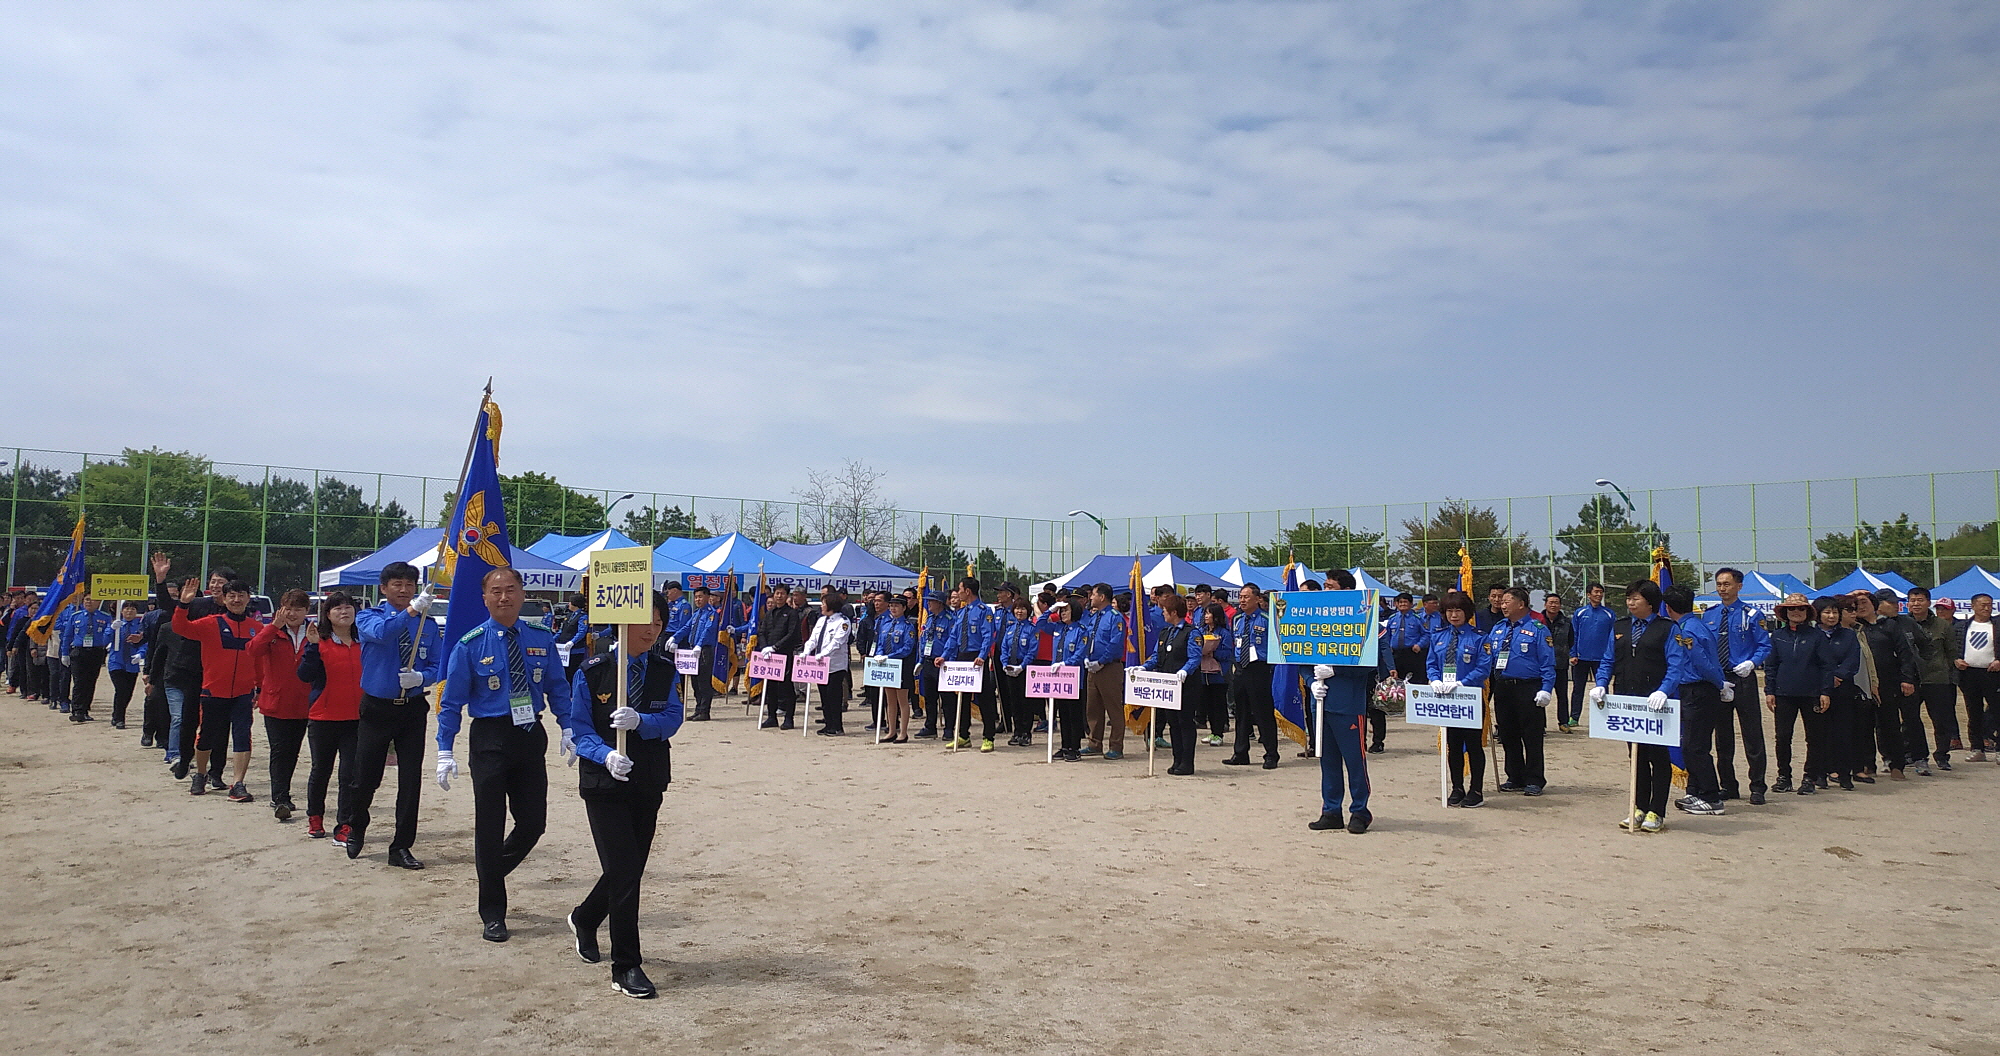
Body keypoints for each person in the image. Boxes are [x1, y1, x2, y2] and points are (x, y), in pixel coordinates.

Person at [437, 566, 569, 941]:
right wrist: (445, 748)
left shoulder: (541, 638)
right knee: (490, 827)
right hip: (490, 738)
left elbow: (558, 686)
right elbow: (451, 702)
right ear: (484, 598)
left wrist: (569, 726)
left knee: (533, 823)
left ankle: (490, 873)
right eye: (495, 591)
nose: (504, 597)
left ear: (522, 594)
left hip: (529, 735)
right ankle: (493, 913)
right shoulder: (470, 644)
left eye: (510, 589)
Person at [567, 589, 685, 1000]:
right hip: (604, 783)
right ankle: (626, 965)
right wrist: (604, 754)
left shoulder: (664, 669)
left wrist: (642, 722)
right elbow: (579, 729)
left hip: (647, 778)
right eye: (644, 622)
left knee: (629, 868)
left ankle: (586, 917)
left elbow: (673, 717)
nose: (652, 630)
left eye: (659, 623)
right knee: (623, 871)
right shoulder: (594, 671)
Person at [346, 561, 444, 868]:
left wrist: (422, 678)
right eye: (397, 585)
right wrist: (412, 610)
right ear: (384, 588)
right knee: (365, 777)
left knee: (410, 780)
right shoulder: (369, 617)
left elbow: (439, 664)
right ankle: (356, 825)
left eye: (409, 585)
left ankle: (401, 846)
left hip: (412, 708)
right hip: (377, 708)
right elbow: (385, 633)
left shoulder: (427, 624)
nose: (404, 590)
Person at [168, 575, 265, 801]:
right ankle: (201, 774)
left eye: (241, 595)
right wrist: (183, 604)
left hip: (243, 694)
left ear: (248, 598)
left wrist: (260, 688)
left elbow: (260, 661)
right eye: (232, 596)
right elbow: (180, 627)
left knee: (243, 736)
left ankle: (238, 783)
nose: (236, 600)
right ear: (224, 598)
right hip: (213, 691)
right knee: (206, 737)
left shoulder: (257, 628)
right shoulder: (211, 623)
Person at [1590, 580, 1674, 831]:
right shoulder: (1620, 626)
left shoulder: (1667, 628)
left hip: (1656, 701)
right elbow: (1608, 659)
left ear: (1650, 602)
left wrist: (1664, 690)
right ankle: (1638, 807)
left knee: (1658, 756)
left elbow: (1676, 664)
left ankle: (1656, 811)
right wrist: (1601, 684)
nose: (1630, 602)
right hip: (1626, 699)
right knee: (1636, 754)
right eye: (1628, 598)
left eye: (1636, 598)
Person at [297, 591, 364, 842]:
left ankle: (345, 824)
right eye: (337, 608)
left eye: (348, 607)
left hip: (356, 719)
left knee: (350, 775)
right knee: (321, 771)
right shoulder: (319, 641)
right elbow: (304, 675)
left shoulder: (364, 641)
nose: (343, 612)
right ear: (327, 614)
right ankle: (315, 817)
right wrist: (313, 646)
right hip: (323, 717)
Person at [1703, 569, 1772, 804]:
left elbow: (1764, 645)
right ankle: (1728, 785)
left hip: (1743, 678)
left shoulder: (1751, 614)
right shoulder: (1709, 615)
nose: (1722, 588)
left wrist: (1752, 662)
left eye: (1727, 584)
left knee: (1752, 733)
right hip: (1719, 679)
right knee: (1722, 736)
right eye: (1719, 584)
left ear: (1739, 586)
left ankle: (1758, 786)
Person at [248, 590, 314, 821]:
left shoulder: (314, 632)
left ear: (307, 611)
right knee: (279, 750)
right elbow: (253, 650)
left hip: (305, 701)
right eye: (288, 609)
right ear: (280, 609)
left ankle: (284, 793)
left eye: (298, 609)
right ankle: (280, 798)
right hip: (275, 702)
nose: (293, 614)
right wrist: (273, 627)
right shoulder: (273, 632)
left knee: (293, 750)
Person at [1665, 584, 1730, 815]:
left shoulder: (1687, 630)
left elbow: (1702, 661)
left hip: (1697, 690)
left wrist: (1719, 683)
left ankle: (1711, 797)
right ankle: (1696, 790)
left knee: (1695, 746)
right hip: (1696, 690)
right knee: (1692, 744)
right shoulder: (1696, 624)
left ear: (1668, 607)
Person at [1488, 587, 1555, 796]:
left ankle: (1534, 779)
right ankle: (1515, 776)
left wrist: (1546, 689)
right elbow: (1487, 657)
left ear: (1521, 604)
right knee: (1508, 735)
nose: (1503, 605)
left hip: (1528, 687)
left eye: (1507, 601)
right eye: (1502, 602)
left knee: (1532, 736)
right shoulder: (1498, 628)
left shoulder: (1537, 629)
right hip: (1503, 686)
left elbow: (1547, 662)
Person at [1428, 591, 1492, 806]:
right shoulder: (1438, 636)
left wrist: (1463, 683)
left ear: (1467, 613)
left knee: (1473, 745)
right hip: (1446, 699)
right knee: (1453, 745)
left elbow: (1483, 667)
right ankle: (1457, 787)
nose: (1454, 615)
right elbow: (1431, 663)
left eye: (1458, 611)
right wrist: (1434, 680)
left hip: (1469, 697)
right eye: (1449, 611)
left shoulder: (1479, 637)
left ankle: (1476, 790)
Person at [1764, 592, 1830, 796]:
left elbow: (1826, 666)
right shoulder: (1777, 636)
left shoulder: (1817, 636)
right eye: (1791, 608)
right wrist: (1769, 690)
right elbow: (1771, 665)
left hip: (1812, 693)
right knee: (1783, 737)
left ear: (1808, 612)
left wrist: (1825, 692)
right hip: (1783, 693)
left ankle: (1810, 778)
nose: (1796, 612)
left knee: (1814, 738)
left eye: (1801, 608)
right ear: (1785, 612)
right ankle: (1783, 777)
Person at [1307, 647, 1378, 832]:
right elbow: (1299, 657)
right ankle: (1331, 810)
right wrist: (1311, 682)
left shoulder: (1360, 630)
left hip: (1349, 705)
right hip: (1320, 703)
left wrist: (1336, 669)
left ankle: (1360, 811)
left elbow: (1369, 661)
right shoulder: (1314, 631)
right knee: (1328, 761)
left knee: (1355, 762)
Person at [1855, 589, 1916, 781]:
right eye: (1856, 604)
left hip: (1888, 683)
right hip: (1862, 685)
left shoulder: (1889, 625)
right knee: (1863, 726)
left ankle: (1896, 765)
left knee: (1890, 725)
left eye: (1864, 602)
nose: (1861, 606)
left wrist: (1907, 679)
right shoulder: (1853, 628)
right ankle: (1867, 764)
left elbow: (1905, 654)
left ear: (1874, 604)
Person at [1139, 593, 1201, 774]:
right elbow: (1157, 656)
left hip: (1186, 685)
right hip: (1168, 685)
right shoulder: (1165, 632)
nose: (1163, 613)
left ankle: (1187, 762)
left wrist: (1185, 670)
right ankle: (1177, 759)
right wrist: (1143, 667)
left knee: (1185, 722)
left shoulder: (1191, 632)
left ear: (1174, 612)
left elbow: (1194, 657)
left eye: (1165, 610)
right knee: (1173, 723)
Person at [937, 577, 998, 751]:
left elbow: (988, 635)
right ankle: (963, 735)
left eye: (960, 589)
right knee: (962, 698)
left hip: (977, 658)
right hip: (961, 656)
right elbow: (953, 637)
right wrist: (944, 655)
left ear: (968, 591)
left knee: (984, 698)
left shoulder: (983, 611)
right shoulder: (961, 612)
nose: (958, 593)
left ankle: (988, 737)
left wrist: (982, 656)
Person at [1904, 587, 1959, 772]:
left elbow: (1951, 653)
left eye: (1920, 600)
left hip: (1937, 679)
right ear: (1908, 603)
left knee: (1941, 720)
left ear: (1928, 603)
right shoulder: (1901, 624)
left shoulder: (1942, 625)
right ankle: (1914, 755)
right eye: (1912, 600)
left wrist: (1946, 674)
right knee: (1910, 719)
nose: (1916, 604)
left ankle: (1942, 755)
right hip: (1910, 679)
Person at [1224, 585, 1278, 769]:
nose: (1242, 600)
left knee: (1263, 713)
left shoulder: (1266, 619)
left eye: (1246, 597)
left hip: (1259, 669)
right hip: (1241, 668)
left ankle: (1271, 754)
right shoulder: (1237, 619)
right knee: (1241, 713)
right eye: (1240, 596)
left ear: (1257, 599)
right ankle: (1240, 752)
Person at [1815, 596, 1863, 789]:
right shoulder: (1812, 635)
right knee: (1819, 733)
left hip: (1843, 689)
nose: (1831, 616)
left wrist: (1838, 676)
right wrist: (1826, 680)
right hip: (1817, 690)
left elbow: (1852, 660)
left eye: (1835, 612)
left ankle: (1844, 775)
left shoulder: (1848, 635)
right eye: (1827, 612)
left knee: (1843, 733)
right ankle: (1820, 773)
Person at [1077, 583, 1127, 760]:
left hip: (1109, 668)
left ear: (1102, 597)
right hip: (1092, 668)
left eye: (1093, 594)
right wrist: (1086, 657)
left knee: (1113, 708)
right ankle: (1094, 743)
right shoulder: (1094, 616)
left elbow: (1115, 642)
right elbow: (1086, 638)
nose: (1091, 597)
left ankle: (1116, 746)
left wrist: (1101, 661)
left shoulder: (1114, 617)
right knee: (1093, 708)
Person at [1953, 593, 1998, 759]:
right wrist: (1956, 660)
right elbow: (1952, 648)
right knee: (1973, 712)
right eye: (1982, 605)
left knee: (1997, 710)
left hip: (1993, 674)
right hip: (1969, 674)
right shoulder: (1962, 626)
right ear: (1973, 606)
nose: (1986, 608)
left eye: (1989, 605)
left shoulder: (1996, 625)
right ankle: (1977, 748)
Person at [668, 586, 723, 722]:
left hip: (704, 651)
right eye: (696, 597)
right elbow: (686, 627)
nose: (698, 599)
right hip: (693, 650)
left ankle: (704, 711)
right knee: (695, 683)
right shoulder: (697, 613)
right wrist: (675, 638)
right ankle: (698, 710)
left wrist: (699, 644)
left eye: (700, 597)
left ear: (707, 597)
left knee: (703, 682)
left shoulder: (711, 613)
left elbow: (708, 630)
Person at [58, 592, 113, 723]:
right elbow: (68, 636)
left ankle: (85, 709)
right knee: (79, 681)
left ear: (98, 602)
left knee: (90, 681)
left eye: (92, 600)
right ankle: (77, 710)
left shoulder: (105, 617)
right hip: (79, 651)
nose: (88, 602)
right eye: (86, 599)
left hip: (96, 651)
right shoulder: (76, 616)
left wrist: (109, 635)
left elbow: (108, 634)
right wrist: (64, 653)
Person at [1567, 582, 1615, 733]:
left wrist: (1610, 655)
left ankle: (1605, 717)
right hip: (1581, 657)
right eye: (1596, 592)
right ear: (1588, 594)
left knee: (1602, 688)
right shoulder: (1580, 613)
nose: (1599, 595)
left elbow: (1612, 636)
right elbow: (1574, 634)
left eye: (1601, 592)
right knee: (1578, 688)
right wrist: (1573, 654)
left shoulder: (1609, 614)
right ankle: (1574, 717)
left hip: (1602, 659)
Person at [804, 592, 852, 736]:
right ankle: (828, 723)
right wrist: (806, 651)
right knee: (824, 696)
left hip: (835, 665)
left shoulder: (843, 622)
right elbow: (813, 639)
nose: (821, 606)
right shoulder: (821, 620)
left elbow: (837, 642)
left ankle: (837, 726)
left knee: (833, 696)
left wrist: (823, 654)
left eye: (824, 604)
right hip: (820, 665)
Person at [871, 593, 916, 743]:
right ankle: (891, 731)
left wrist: (889, 656)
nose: (893, 608)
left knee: (902, 700)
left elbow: (907, 648)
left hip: (901, 665)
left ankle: (903, 732)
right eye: (891, 606)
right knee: (890, 700)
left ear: (904, 608)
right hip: (887, 666)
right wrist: (879, 654)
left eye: (896, 606)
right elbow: (880, 643)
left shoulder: (908, 626)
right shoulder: (886, 625)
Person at [754, 585, 800, 730]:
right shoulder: (769, 613)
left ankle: (789, 718)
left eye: (782, 594)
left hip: (784, 655)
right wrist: (764, 647)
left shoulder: (792, 613)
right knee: (770, 687)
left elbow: (792, 634)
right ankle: (771, 717)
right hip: (769, 657)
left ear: (787, 596)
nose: (779, 596)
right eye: (777, 593)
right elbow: (762, 632)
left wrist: (775, 647)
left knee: (786, 687)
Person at [1049, 600, 1090, 760]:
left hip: (1073, 677)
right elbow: (1040, 625)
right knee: (1063, 713)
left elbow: (1080, 653)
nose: (1063, 613)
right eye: (1061, 610)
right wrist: (1051, 610)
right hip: (1058, 677)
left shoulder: (1081, 630)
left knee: (1074, 713)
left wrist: (1065, 663)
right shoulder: (1058, 627)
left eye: (1066, 610)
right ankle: (1065, 745)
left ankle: (1075, 747)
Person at [997, 596, 1040, 748]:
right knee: (1013, 701)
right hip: (1010, 666)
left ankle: (1026, 733)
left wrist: (1022, 666)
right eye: (1017, 608)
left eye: (1022, 609)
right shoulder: (1010, 628)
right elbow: (1004, 648)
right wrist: (1004, 664)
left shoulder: (1032, 629)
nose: (1019, 611)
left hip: (1025, 668)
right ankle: (1017, 731)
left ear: (1028, 611)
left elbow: (1032, 651)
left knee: (1026, 702)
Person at [1193, 602, 1234, 746]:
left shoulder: (1224, 633)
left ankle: (1219, 733)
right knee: (1207, 705)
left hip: (1218, 675)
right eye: (1205, 613)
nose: (1206, 616)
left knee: (1218, 705)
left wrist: (1213, 652)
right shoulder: (1201, 631)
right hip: (1203, 674)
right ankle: (1212, 732)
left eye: (1209, 613)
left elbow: (1228, 654)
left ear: (1216, 616)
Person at [106, 600, 147, 731]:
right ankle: (120, 718)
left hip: (132, 663)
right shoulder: (116, 624)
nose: (129, 611)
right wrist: (112, 629)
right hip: (116, 662)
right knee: (121, 689)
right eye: (127, 608)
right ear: (122, 611)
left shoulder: (140, 626)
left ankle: (116, 714)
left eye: (132, 609)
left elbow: (145, 643)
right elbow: (104, 640)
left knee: (128, 693)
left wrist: (141, 654)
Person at [912, 591, 949, 738]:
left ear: (939, 603)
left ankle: (949, 729)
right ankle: (930, 726)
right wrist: (921, 660)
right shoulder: (929, 619)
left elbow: (952, 641)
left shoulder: (949, 619)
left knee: (946, 698)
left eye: (931, 601)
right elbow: (924, 640)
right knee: (929, 697)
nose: (928, 604)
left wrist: (945, 657)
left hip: (943, 662)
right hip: (928, 661)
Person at [1541, 591, 1574, 731]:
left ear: (1560, 606)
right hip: (1542, 665)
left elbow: (1571, 641)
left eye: (1556, 603)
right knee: (1540, 695)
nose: (1553, 605)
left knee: (1562, 695)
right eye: (1551, 602)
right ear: (1545, 604)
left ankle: (1563, 722)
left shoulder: (1567, 623)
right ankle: (1540, 725)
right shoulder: (1537, 621)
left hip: (1560, 664)